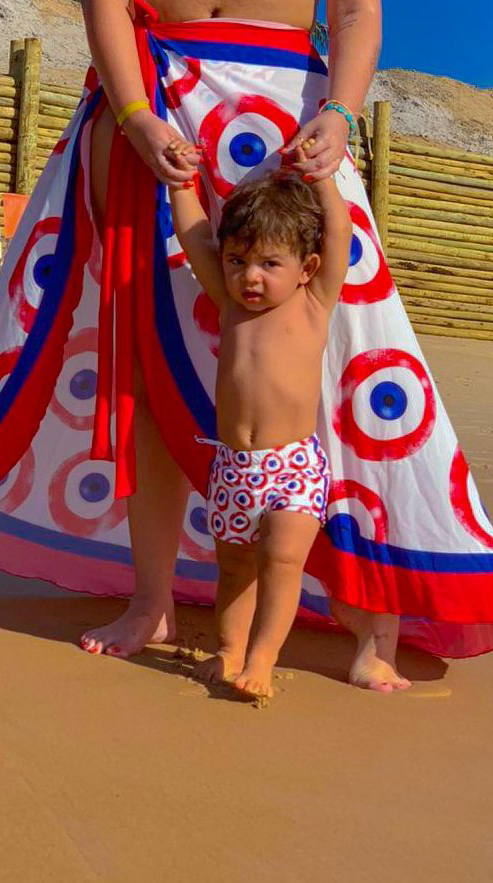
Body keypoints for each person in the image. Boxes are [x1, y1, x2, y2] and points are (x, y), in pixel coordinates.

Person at [0, 0, 493, 689]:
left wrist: (341, 113)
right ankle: (152, 601)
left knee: (349, 358)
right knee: (151, 358)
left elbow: (355, 9)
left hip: (288, 118)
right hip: (152, 111)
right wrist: (134, 114)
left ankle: (373, 619)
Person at [164, 139, 354, 697]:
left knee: (282, 558)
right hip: (231, 469)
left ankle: (263, 659)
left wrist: (321, 176)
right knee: (234, 569)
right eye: (239, 261)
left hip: (292, 466)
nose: (251, 277)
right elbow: (197, 235)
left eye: (270, 264)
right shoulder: (228, 305)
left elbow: (337, 232)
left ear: (306, 268)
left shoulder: (314, 303)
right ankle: (229, 649)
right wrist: (180, 185)